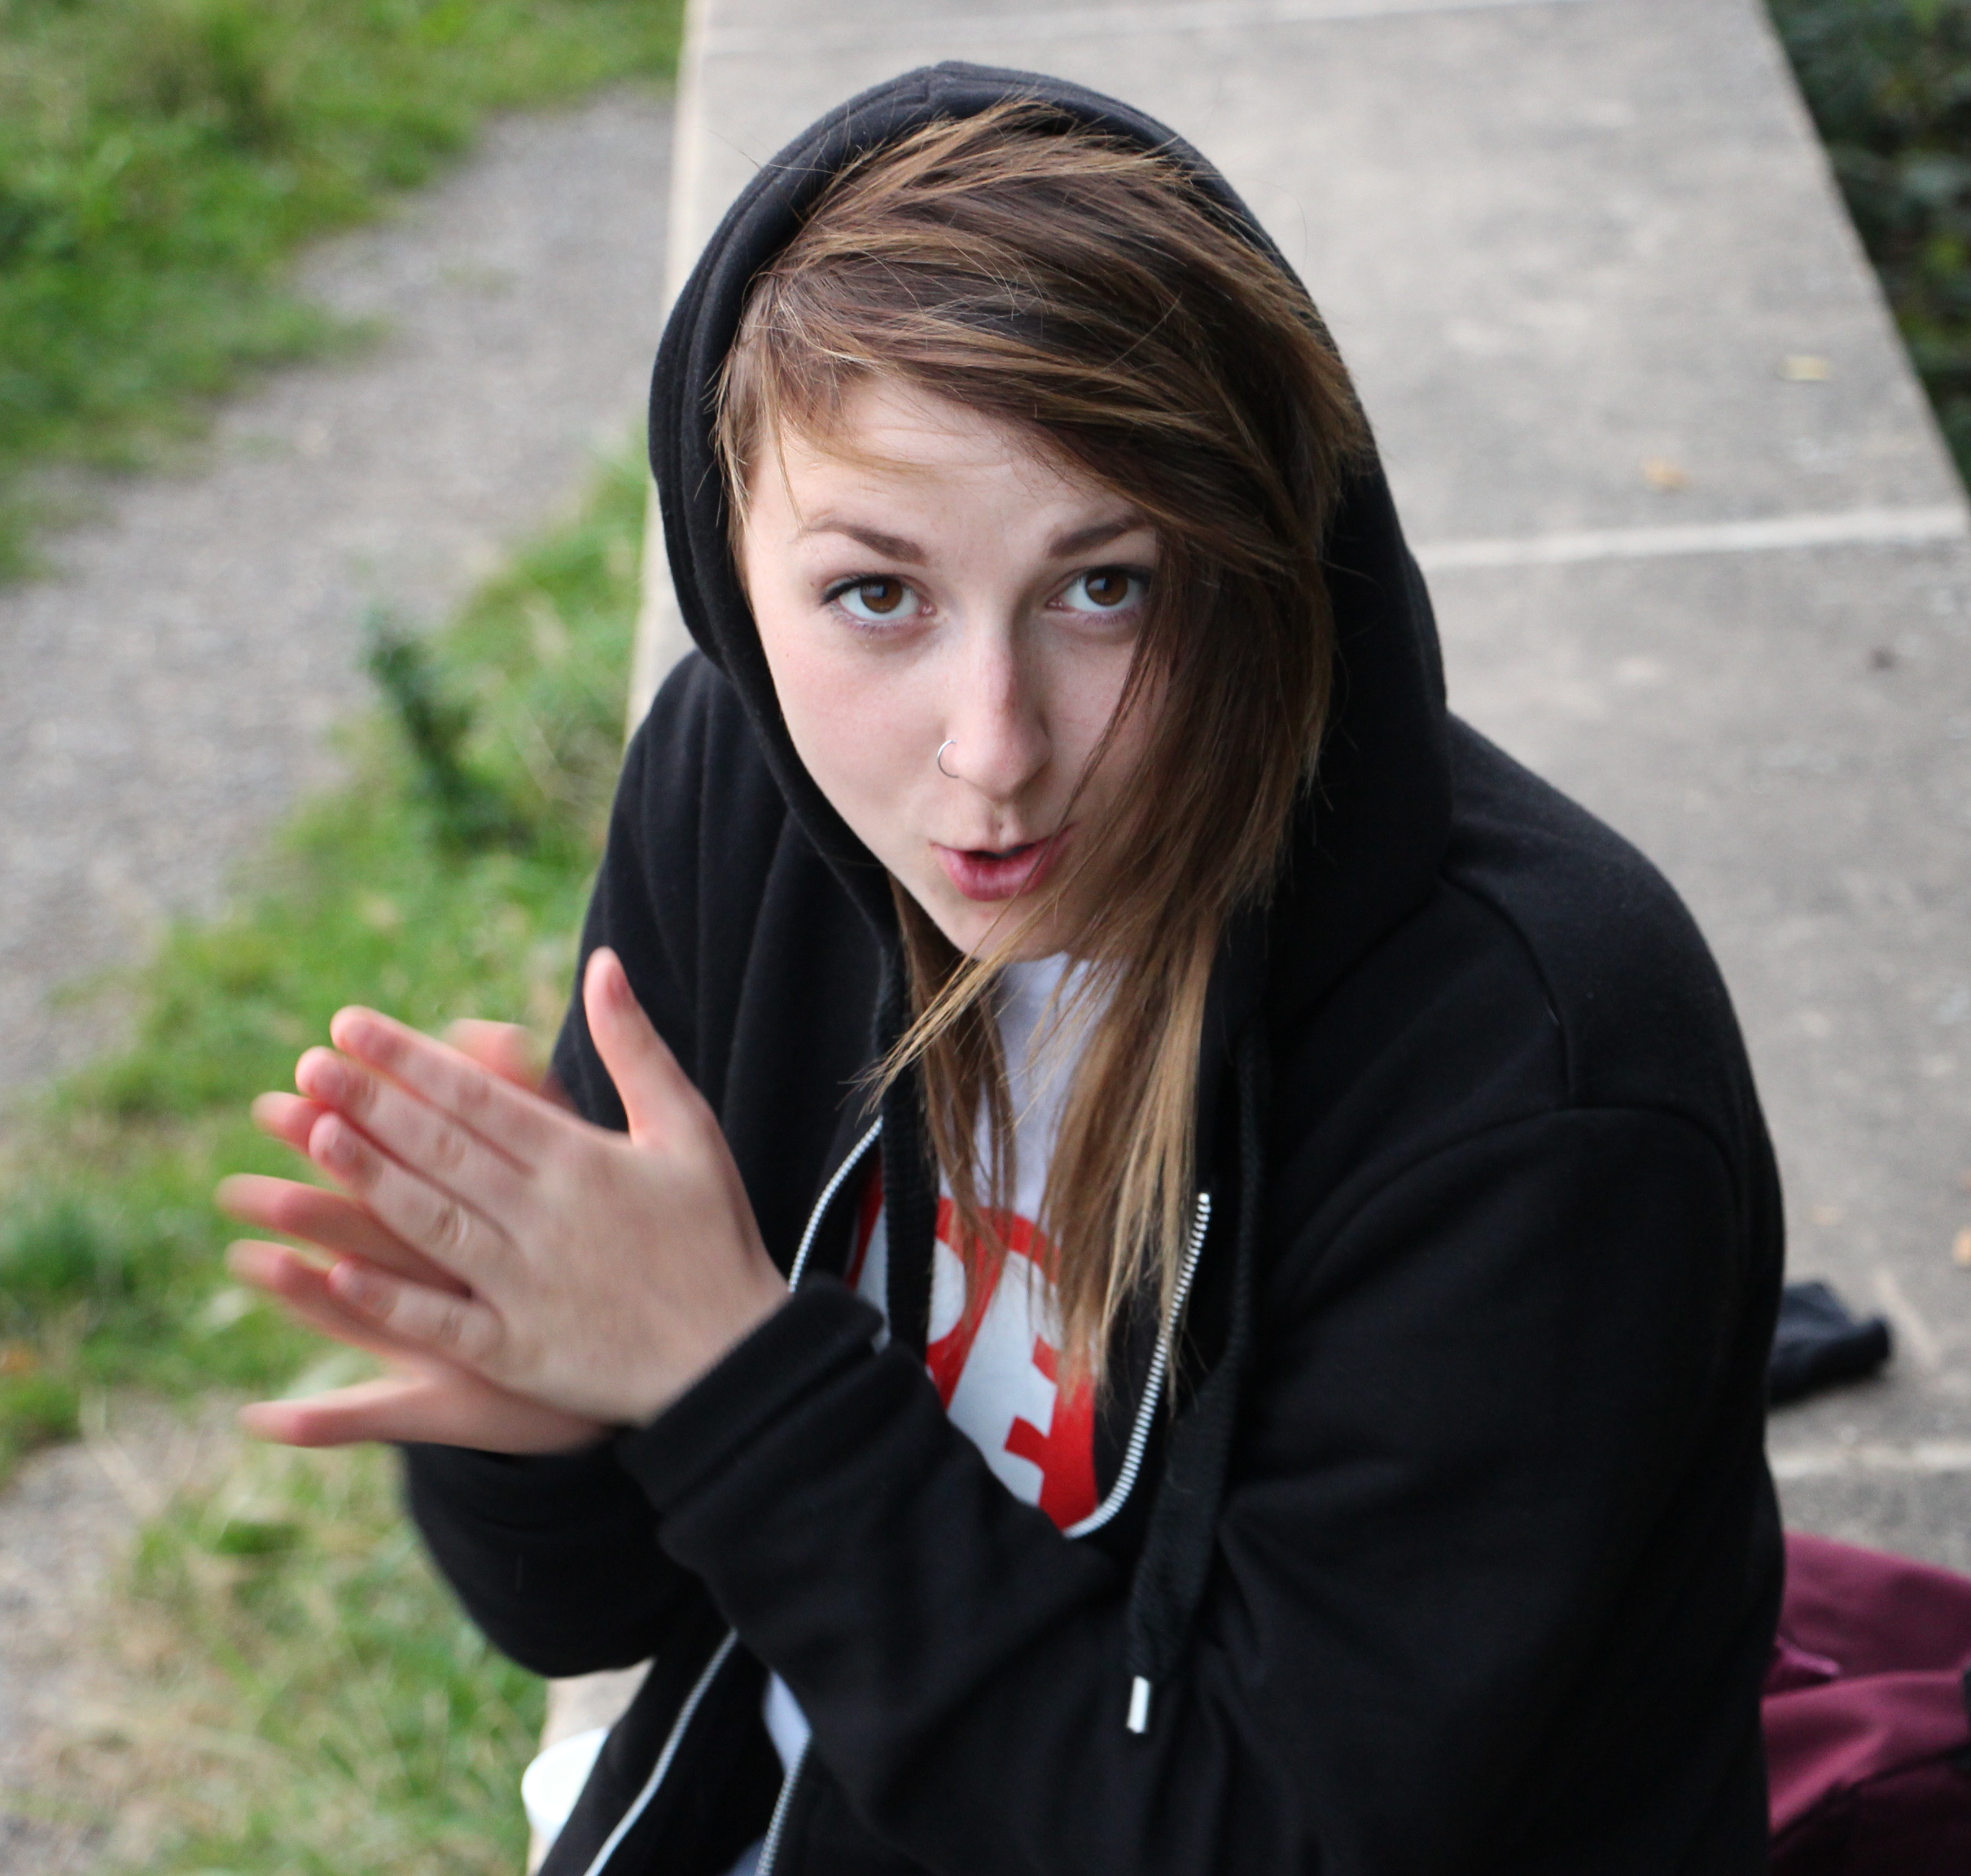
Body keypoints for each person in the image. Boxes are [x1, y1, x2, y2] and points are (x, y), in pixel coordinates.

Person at [217, 64, 1785, 1876]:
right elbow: (594, 1610)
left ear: (1266, 557)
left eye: (1106, 585)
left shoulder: (1542, 1072)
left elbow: (1260, 1836)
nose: (993, 751)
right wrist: (547, 1420)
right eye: (875, 595)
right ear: (730, 569)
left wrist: (728, 1380)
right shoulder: (748, 794)